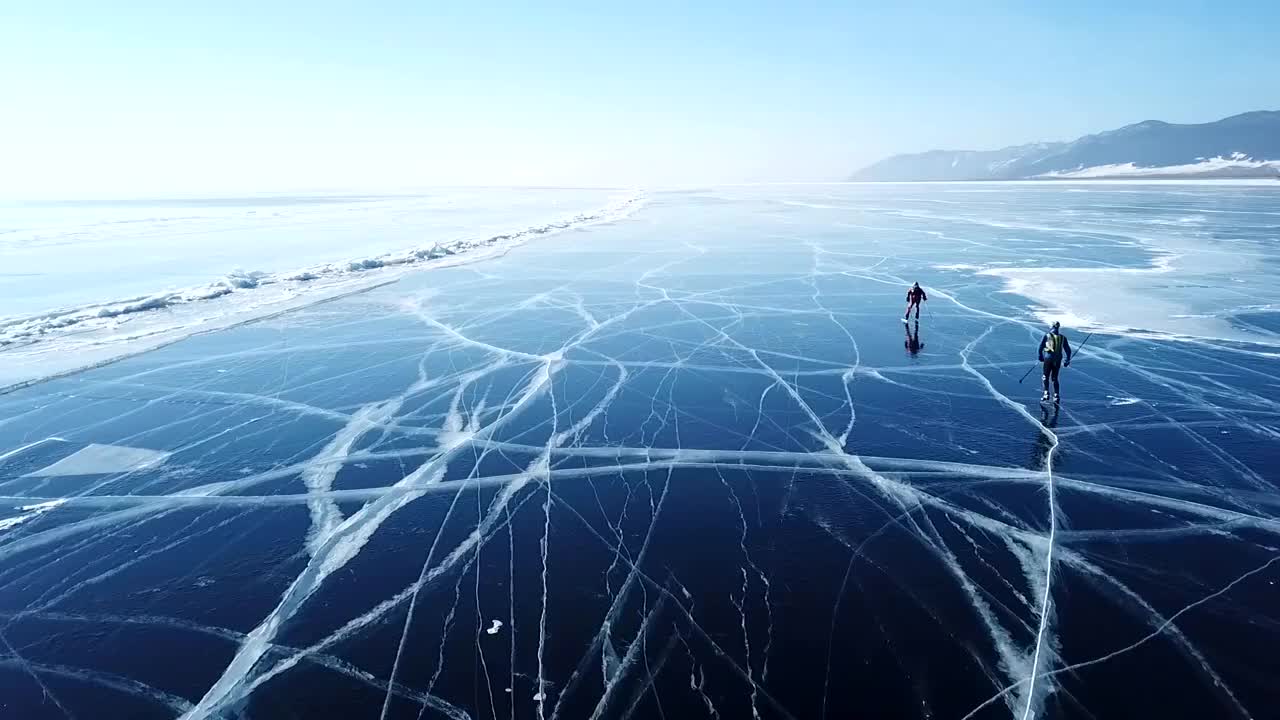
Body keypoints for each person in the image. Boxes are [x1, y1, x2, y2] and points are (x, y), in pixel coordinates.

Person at [1038, 321, 1072, 403]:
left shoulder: (1047, 336)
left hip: (1048, 359)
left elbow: (1040, 347)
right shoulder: (1063, 338)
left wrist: (1040, 356)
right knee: (1054, 378)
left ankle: (1046, 393)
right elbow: (1068, 350)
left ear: (1052, 327)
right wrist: (1067, 360)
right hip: (1057, 360)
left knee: (1045, 376)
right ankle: (1056, 395)